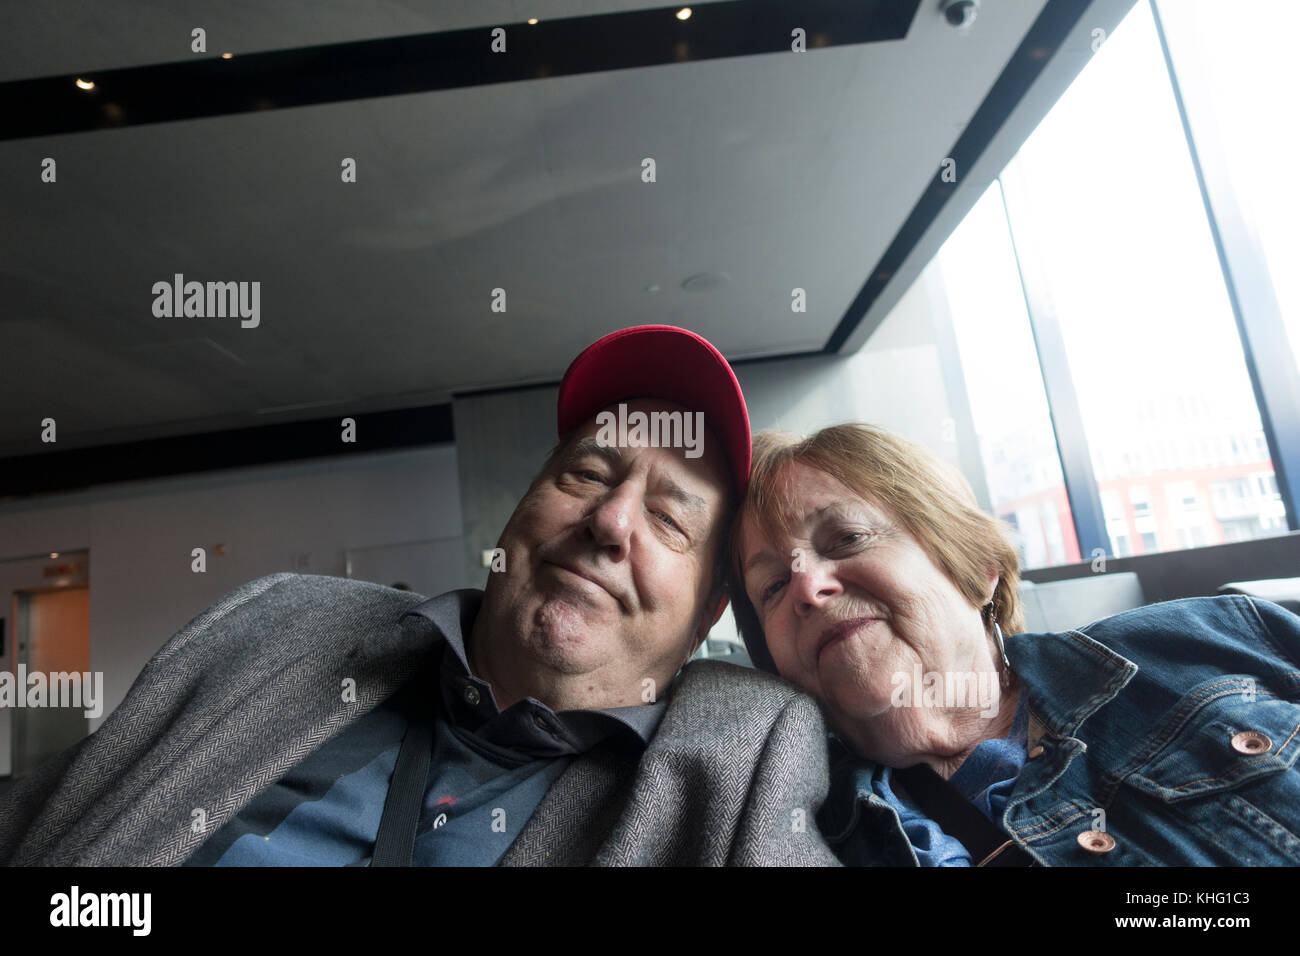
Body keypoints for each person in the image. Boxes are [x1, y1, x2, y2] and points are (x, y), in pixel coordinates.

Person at [0, 326, 839, 867]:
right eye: (586, 473)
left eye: (668, 519)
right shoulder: (281, 624)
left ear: (706, 616)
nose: (611, 521)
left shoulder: (735, 757)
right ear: (519, 513)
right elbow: (50, 809)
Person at [730, 422, 1300, 866]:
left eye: (848, 538)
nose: (808, 585)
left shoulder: (1209, 641)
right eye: (773, 585)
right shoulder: (788, 834)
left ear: (977, 566)